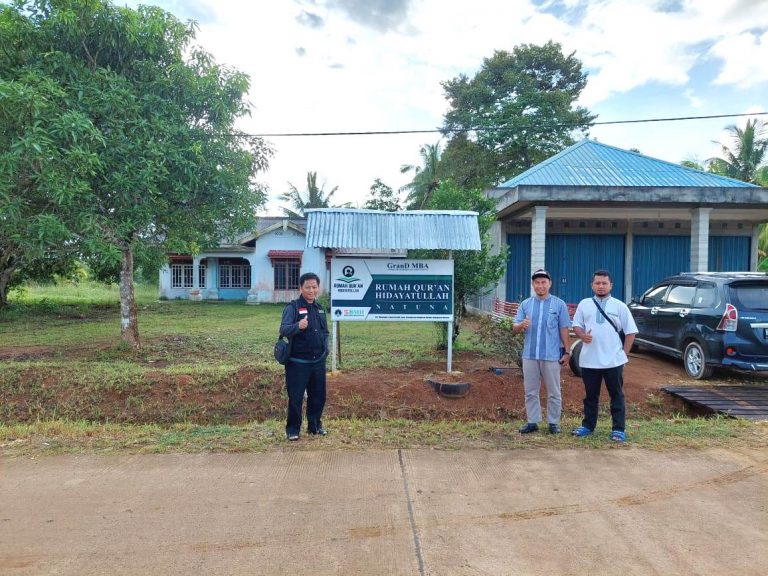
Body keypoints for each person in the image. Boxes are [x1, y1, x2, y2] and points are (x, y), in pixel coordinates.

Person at [571, 270, 638, 442]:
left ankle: (618, 429)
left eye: (604, 283)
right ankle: (588, 426)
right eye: (597, 283)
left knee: (616, 395)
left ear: (611, 285)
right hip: (589, 360)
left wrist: (624, 354)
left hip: (613, 360)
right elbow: (576, 325)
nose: (601, 286)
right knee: (590, 396)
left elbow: (631, 332)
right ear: (592, 285)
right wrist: (582, 335)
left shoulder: (620, 306)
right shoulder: (584, 304)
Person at [513, 269, 572, 434]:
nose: (540, 286)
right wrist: (521, 325)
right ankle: (532, 421)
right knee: (530, 391)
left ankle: (553, 422)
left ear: (549, 284)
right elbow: (515, 327)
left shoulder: (559, 304)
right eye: (537, 282)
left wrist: (567, 352)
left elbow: (564, 329)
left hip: (551, 356)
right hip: (530, 355)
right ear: (533, 284)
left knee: (554, 392)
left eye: (543, 282)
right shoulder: (525, 304)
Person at [279, 272, 329, 441]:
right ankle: (293, 430)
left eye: (314, 287)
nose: (311, 290)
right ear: (301, 288)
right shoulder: (292, 307)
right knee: (296, 398)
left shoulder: (319, 308)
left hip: (318, 362)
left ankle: (315, 426)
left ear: (318, 288)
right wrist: (298, 325)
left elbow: (325, 332)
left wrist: (326, 350)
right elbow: (283, 329)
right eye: (308, 287)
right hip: (297, 363)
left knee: (318, 396)